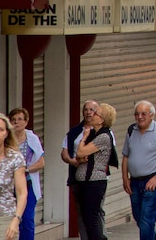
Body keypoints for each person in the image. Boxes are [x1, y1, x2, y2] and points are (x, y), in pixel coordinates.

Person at [122, 100, 156, 240]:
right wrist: (125, 178)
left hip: (152, 181)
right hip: (134, 182)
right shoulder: (131, 130)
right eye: (137, 114)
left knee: (147, 219)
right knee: (139, 217)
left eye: (143, 114)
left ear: (152, 115)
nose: (140, 117)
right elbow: (125, 156)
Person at [75, 104, 117, 240]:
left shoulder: (103, 136)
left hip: (94, 182)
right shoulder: (94, 134)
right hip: (84, 182)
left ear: (102, 120)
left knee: (92, 219)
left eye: (96, 113)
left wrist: (83, 138)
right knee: (86, 219)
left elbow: (81, 151)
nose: (91, 114)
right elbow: (79, 156)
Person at [62, 100, 100, 240]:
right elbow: (64, 152)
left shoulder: (102, 131)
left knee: (95, 213)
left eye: (92, 109)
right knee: (82, 212)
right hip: (77, 178)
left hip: (96, 179)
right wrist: (73, 161)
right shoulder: (75, 131)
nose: (89, 112)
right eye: (86, 109)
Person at [9, 108, 45, 240]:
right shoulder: (6, 139)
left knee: (27, 218)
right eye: (13, 120)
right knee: (9, 218)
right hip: (9, 185)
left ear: (26, 121)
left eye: (19, 119)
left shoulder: (32, 138)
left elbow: (41, 162)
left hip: (28, 183)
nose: (16, 122)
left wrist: (26, 170)